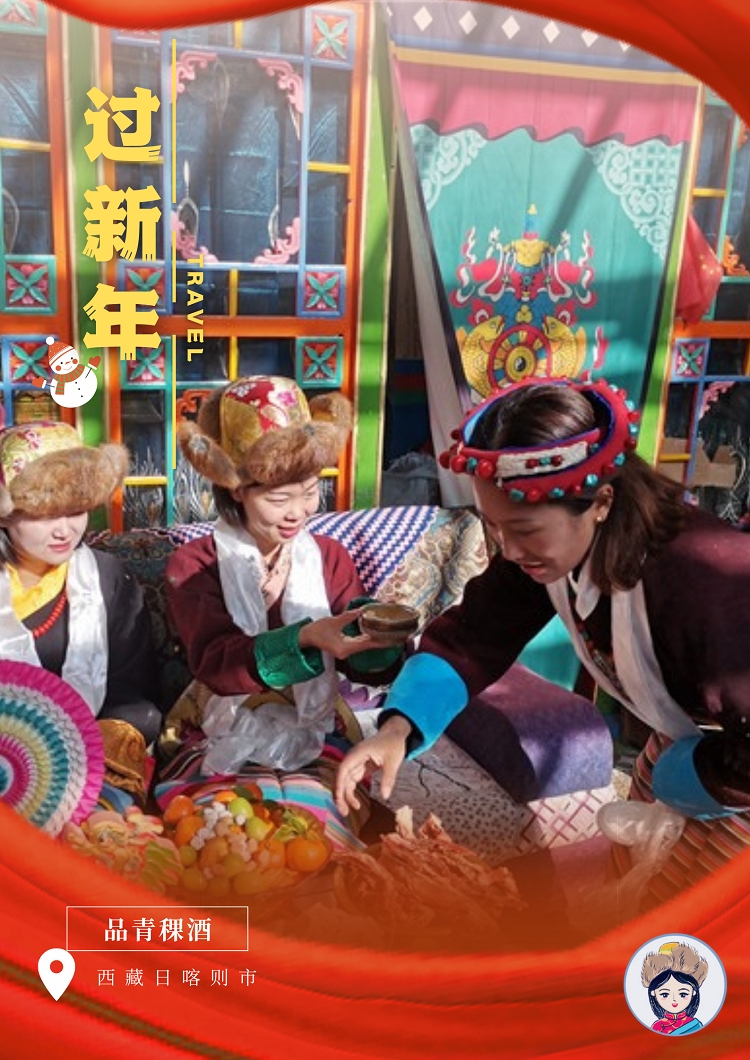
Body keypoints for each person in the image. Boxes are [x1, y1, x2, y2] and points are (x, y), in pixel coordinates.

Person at [335, 376, 750, 903]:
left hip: (732, 773)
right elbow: (476, 633)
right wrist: (398, 728)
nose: (508, 550)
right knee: (643, 904)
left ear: (600, 502)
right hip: (683, 750)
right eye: (494, 527)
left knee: (702, 925)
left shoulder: (707, 583)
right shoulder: (552, 550)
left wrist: (711, 777)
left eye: (525, 530)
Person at [161, 376, 405, 828]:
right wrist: (307, 638)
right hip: (220, 725)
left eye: (310, 492)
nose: (298, 512)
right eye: (279, 498)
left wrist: (377, 641)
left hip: (314, 726)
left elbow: (359, 666)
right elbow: (217, 662)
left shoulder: (328, 556)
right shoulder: (194, 565)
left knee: (316, 823)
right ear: (237, 490)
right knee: (227, 827)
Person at [0, 421, 161, 803]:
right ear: (4, 513)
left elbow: (131, 696)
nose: (64, 531)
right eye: (44, 515)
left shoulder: (108, 579)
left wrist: (78, 777)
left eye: (76, 511)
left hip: (94, 771)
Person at [642, 942, 707, 1035]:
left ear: (693, 992)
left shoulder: (696, 1025)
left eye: (683, 994)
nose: (674, 1000)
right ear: (653, 993)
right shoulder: (657, 1027)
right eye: (665, 994)